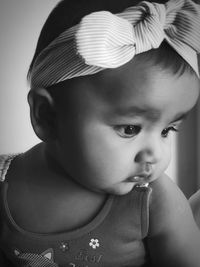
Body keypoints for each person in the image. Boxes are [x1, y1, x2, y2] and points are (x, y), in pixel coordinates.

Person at [0, 0, 200, 266]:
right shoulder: (5, 183)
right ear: (47, 116)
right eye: (130, 129)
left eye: (167, 129)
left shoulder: (155, 200)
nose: (156, 153)